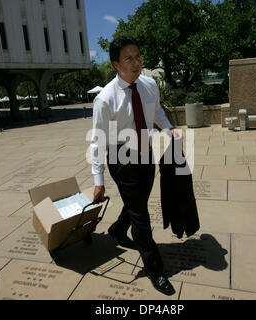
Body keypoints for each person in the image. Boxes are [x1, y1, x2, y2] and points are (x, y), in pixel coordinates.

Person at [90, 35, 179, 296]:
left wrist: (169, 129)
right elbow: (97, 140)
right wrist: (99, 180)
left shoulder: (149, 85)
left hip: (145, 152)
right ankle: (156, 270)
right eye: (128, 58)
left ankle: (118, 229)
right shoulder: (105, 98)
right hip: (121, 157)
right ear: (116, 64)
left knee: (137, 201)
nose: (136, 62)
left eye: (138, 56)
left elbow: (156, 110)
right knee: (141, 214)